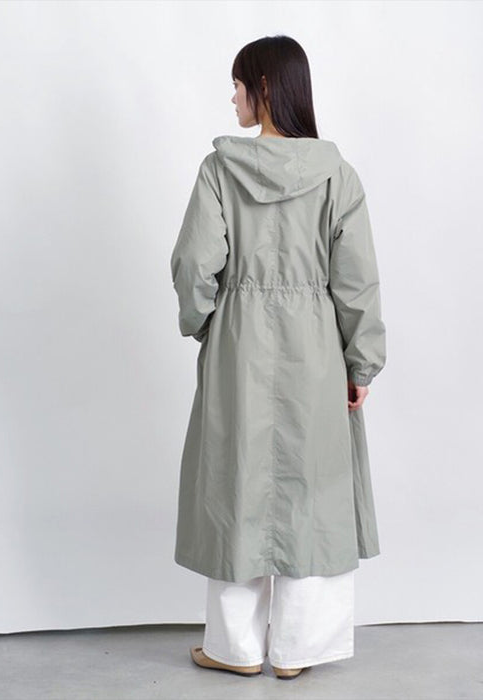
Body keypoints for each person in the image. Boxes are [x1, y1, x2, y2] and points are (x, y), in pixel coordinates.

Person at [170, 35, 387, 680]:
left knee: (234, 485)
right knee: (311, 488)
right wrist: (360, 363)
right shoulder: (337, 175)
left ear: (263, 88)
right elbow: (357, 281)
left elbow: (194, 264)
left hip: (238, 346)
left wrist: (205, 322)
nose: (232, 98)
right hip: (315, 351)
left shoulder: (219, 170)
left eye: (238, 85)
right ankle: (299, 649)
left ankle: (234, 648)